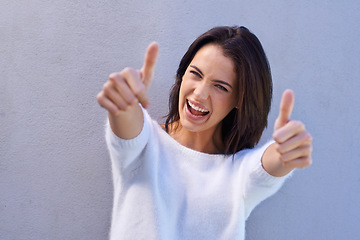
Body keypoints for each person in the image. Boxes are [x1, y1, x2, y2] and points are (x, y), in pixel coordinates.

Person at [97, 26, 312, 240]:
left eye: (220, 87)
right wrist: (123, 101)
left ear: (239, 100)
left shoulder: (239, 171)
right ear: (182, 74)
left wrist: (286, 150)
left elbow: (267, 165)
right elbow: (128, 124)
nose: (199, 94)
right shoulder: (145, 144)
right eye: (195, 74)